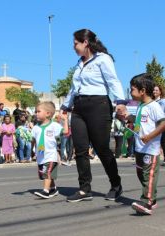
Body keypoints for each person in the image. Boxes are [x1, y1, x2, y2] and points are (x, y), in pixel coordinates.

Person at [60, 29, 127, 202]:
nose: (73, 47)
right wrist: (65, 106)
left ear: (85, 43)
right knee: (80, 150)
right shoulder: (79, 64)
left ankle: (116, 185)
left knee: (102, 149)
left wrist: (120, 101)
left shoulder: (103, 59)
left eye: (75, 43)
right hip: (79, 107)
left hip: (99, 105)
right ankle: (84, 189)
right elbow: (74, 88)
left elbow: (113, 80)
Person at [128, 74, 165, 215]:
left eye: (132, 89)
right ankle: (152, 198)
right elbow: (140, 123)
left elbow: (163, 124)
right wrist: (127, 117)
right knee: (141, 174)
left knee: (148, 175)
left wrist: (150, 136)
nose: (130, 93)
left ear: (142, 91)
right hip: (139, 147)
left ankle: (147, 201)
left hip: (150, 149)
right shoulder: (141, 106)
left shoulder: (154, 106)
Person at [32, 102, 68, 199]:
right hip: (40, 154)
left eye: (38, 111)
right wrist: (33, 152)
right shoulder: (35, 128)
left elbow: (65, 132)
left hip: (51, 154)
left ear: (48, 114)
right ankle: (53, 188)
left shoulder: (54, 126)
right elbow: (34, 140)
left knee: (47, 172)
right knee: (44, 173)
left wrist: (65, 120)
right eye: (36, 111)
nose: (36, 113)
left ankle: (45, 191)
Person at [153, 85, 165, 167]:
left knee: (164, 142)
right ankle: (154, 159)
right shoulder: (152, 102)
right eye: (153, 90)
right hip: (154, 124)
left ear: (160, 92)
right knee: (154, 142)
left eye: (156, 90)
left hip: (163, 123)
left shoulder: (163, 101)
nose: (154, 92)